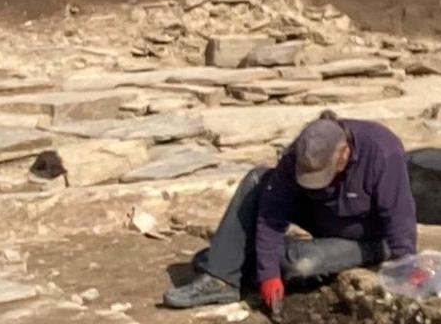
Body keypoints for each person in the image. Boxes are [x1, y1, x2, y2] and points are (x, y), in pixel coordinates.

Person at [162, 112, 415, 311]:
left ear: (345, 154)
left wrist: (407, 268)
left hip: (365, 236)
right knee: (257, 180)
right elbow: (272, 212)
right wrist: (269, 276)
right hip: (321, 214)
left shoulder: (382, 150)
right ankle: (222, 278)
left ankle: (234, 260)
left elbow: (399, 216)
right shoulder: (302, 150)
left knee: (302, 262)